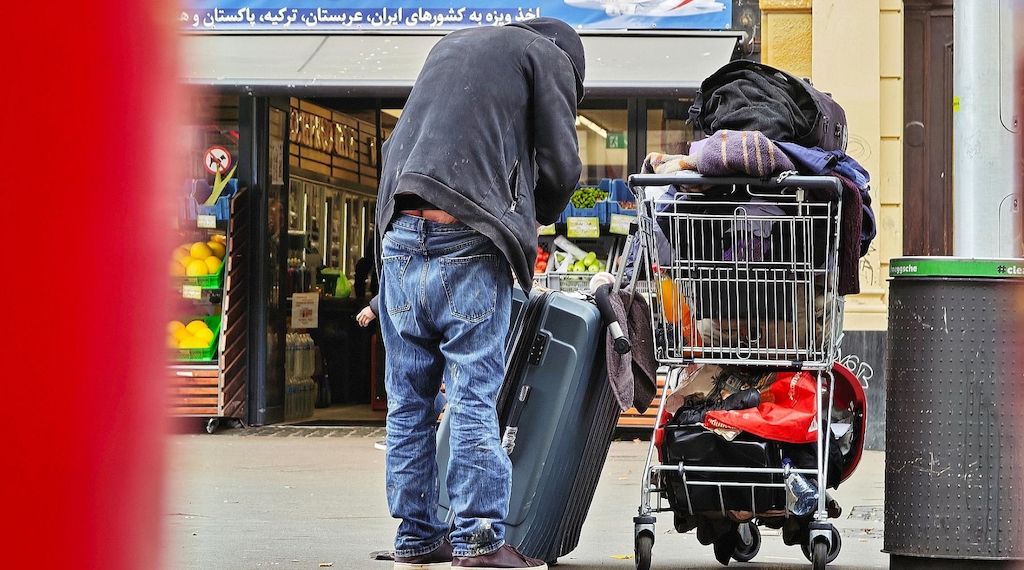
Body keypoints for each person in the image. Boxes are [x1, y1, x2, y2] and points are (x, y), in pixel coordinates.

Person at [374, 17, 585, 570]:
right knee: (472, 397)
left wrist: (385, 268)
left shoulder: (451, 45)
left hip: (400, 235)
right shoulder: (549, 57)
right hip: (467, 239)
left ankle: (417, 537)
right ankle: (479, 540)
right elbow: (561, 165)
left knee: (409, 400)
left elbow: (395, 150)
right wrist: (533, 217)